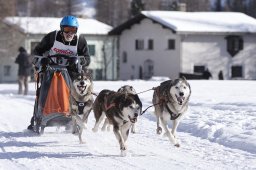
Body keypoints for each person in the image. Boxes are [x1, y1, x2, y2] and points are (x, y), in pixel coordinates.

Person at [27, 15, 90, 130]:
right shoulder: (52, 37)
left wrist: (79, 60)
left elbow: (87, 59)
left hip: (71, 72)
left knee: (75, 93)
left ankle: (73, 119)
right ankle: (37, 118)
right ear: (61, 29)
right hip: (50, 69)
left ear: (76, 30)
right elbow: (38, 51)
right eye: (67, 29)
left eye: (73, 30)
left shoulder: (80, 40)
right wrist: (41, 60)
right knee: (42, 91)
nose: (70, 33)